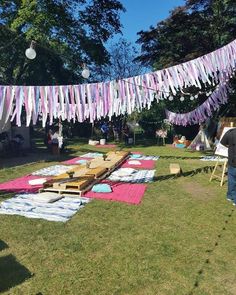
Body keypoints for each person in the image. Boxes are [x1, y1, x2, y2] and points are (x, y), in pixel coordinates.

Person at [220, 128, 236, 205]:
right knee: (232, 180)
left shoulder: (230, 132)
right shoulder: (230, 132)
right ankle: (233, 199)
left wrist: (230, 147)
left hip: (232, 160)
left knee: (231, 180)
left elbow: (223, 143)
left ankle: (230, 196)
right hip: (232, 160)